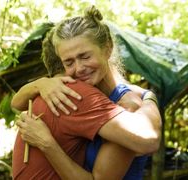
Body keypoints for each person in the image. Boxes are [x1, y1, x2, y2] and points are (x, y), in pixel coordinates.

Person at [12, 5, 161, 180]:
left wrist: (150, 98)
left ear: (108, 48)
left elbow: (149, 140)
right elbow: (16, 103)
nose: (79, 68)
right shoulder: (74, 95)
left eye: (85, 56)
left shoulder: (126, 107)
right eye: (69, 62)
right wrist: (40, 84)